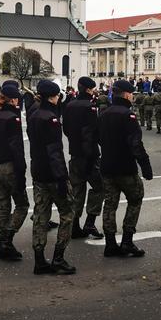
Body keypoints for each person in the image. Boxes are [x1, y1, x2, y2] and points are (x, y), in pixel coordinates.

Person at [98, 80, 153, 258]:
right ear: (127, 94)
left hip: (107, 166)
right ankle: (127, 241)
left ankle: (110, 243)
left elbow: (97, 137)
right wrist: (145, 165)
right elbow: (135, 143)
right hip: (125, 167)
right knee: (135, 199)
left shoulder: (104, 113)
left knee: (110, 204)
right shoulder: (128, 115)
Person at [27, 80, 76, 275]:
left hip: (38, 170)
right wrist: (62, 178)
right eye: (57, 96)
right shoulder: (51, 119)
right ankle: (58, 258)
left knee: (40, 214)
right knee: (67, 213)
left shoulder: (34, 114)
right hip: (52, 174)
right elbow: (54, 151)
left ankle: (39, 260)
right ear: (52, 97)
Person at [0, 84, 29, 261]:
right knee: (22, 205)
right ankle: (7, 240)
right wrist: (21, 171)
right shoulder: (13, 118)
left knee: (2, 206)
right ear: (13, 100)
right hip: (10, 166)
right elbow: (17, 147)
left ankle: (0, 244)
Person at [62, 76, 104, 240]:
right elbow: (92, 133)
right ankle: (90, 221)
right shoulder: (90, 107)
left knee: (77, 191)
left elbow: (65, 129)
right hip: (90, 155)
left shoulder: (70, 105)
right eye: (92, 89)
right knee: (99, 187)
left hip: (75, 153)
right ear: (88, 89)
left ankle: (74, 225)